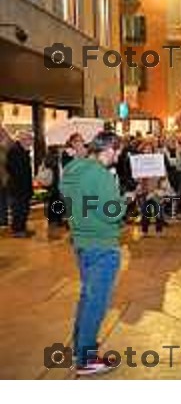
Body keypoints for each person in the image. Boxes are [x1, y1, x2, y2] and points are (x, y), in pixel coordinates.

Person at [60, 132, 126, 375]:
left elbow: (69, 200)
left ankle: (79, 349)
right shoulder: (102, 175)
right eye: (117, 151)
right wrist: (122, 200)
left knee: (87, 297)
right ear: (108, 149)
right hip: (102, 244)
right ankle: (86, 358)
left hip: (80, 241)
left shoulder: (71, 169)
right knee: (96, 302)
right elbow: (113, 213)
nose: (118, 157)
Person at [6, 131, 34, 238]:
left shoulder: (23, 151)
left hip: (23, 187)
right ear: (22, 140)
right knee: (18, 210)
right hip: (17, 188)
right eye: (29, 139)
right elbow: (17, 171)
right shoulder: (15, 151)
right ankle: (18, 230)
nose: (31, 142)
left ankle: (22, 228)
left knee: (24, 209)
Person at [0, 127, 11, 228]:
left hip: (3, 178)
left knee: (3, 200)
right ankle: (3, 220)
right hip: (3, 178)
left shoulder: (4, 148)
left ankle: (3, 220)